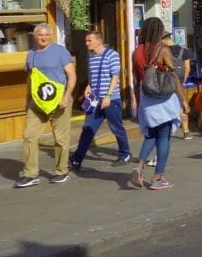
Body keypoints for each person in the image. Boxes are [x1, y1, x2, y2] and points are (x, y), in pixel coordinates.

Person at [16, 23, 77, 187]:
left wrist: (67, 96)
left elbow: (72, 75)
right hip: (37, 103)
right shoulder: (31, 54)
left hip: (59, 101)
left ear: (51, 36)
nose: (43, 38)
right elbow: (31, 80)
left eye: (46, 35)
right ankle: (30, 174)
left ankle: (61, 171)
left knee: (60, 138)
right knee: (29, 135)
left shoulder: (60, 51)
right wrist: (27, 101)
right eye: (40, 35)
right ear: (34, 37)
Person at [130, 17, 188, 190]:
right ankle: (158, 178)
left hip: (146, 97)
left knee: (151, 134)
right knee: (164, 136)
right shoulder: (162, 50)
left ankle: (139, 167)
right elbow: (173, 76)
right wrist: (184, 99)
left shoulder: (136, 52)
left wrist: (138, 101)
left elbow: (135, 80)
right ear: (158, 31)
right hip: (163, 97)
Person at [71, 31, 131, 171]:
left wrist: (108, 96)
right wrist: (88, 86)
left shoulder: (112, 55)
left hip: (111, 99)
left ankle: (124, 154)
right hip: (95, 100)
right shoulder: (91, 57)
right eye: (86, 41)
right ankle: (77, 159)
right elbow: (93, 77)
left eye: (89, 41)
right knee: (88, 129)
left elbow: (115, 77)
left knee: (116, 128)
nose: (86, 43)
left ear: (99, 41)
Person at [163, 32, 193, 140]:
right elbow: (187, 68)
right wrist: (184, 81)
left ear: (164, 39)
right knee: (182, 106)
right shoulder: (183, 50)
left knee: (166, 106)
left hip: (167, 82)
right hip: (180, 81)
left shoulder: (164, 51)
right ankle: (186, 131)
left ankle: (167, 131)